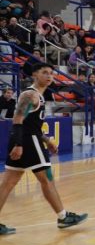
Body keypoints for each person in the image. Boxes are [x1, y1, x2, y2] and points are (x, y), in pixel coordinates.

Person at [0, 62, 88, 235]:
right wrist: (19, 144)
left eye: (51, 73)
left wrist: (47, 140)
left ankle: (63, 216)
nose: (49, 76)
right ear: (34, 75)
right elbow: (17, 121)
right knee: (47, 180)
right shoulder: (30, 95)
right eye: (45, 72)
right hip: (27, 142)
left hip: (25, 139)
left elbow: (31, 124)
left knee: (8, 184)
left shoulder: (38, 96)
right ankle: (63, 217)